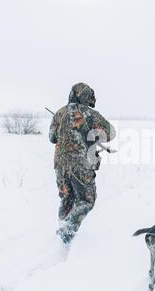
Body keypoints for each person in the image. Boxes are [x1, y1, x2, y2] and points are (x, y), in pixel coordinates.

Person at [49, 83, 115, 245]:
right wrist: (92, 135)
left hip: (60, 165)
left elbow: (52, 138)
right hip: (80, 163)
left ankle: (62, 239)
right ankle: (67, 230)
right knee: (86, 200)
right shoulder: (89, 113)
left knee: (67, 199)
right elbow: (110, 133)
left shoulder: (59, 113)